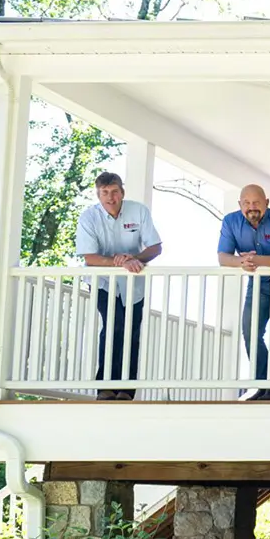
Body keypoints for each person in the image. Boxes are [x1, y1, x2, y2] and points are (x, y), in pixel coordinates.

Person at [76, 171, 162, 401]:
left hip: (134, 282)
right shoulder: (88, 218)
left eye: (114, 191)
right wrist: (119, 261)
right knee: (113, 327)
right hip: (104, 282)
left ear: (122, 192)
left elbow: (155, 247)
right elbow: (89, 257)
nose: (110, 197)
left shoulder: (138, 211)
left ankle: (127, 389)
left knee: (132, 332)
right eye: (104, 193)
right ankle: (105, 386)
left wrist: (136, 261)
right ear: (98, 194)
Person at [216, 184, 270, 401]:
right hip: (259, 281)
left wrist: (256, 260)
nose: (251, 207)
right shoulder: (230, 222)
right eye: (246, 203)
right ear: (240, 205)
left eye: (256, 202)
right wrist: (240, 262)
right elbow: (223, 257)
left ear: (266, 202)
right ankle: (262, 382)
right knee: (250, 329)